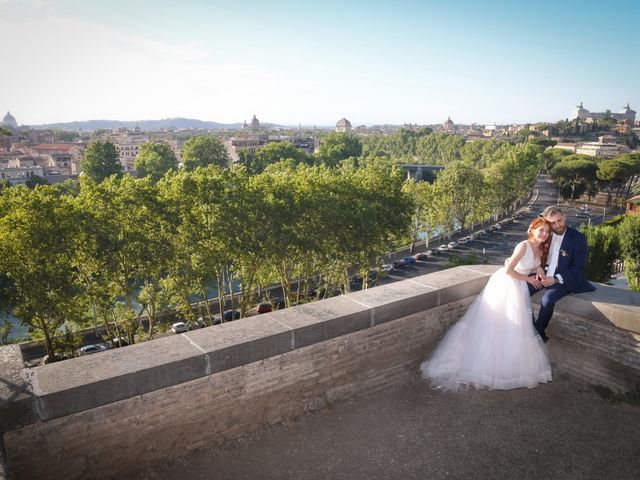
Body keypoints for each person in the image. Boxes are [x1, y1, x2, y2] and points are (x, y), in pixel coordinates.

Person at [421, 218, 553, 391]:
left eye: (547, 232)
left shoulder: (539, 247)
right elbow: (508, 269)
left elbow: (532, 265)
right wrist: (528, 278)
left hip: (519, 286)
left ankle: (506, 368)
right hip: (507, 284)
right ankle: (483, 368)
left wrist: (539, 270)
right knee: (494, 325)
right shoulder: (524, 245)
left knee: (515, 326)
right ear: (533, 229)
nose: (544, 234)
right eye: (541, 230)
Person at [531, 206, 596, 342]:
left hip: (564, 278)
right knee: (522, 290)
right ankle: (530, 328)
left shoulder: (578, 238)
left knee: (547, 300)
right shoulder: (545, 234)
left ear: (564, 217)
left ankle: (539, 332)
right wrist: (538, 268)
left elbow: (579, 268)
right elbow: (532, 251)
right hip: (543, 274)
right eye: (552, 223)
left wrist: (555, 279)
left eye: (559, 220)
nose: (557, 225)